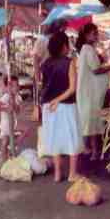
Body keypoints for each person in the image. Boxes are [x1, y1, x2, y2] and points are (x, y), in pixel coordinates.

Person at [39, 31, 83, 182]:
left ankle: (57, 174)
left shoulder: (45, 63)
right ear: (64, 46)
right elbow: (73, 88)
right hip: (65, 106)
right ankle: (72, 174)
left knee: (55, 138)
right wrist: (58, 100)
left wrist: (51, 101)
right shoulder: (69, 62)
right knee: (72, 138)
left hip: (48, 107)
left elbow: (43, 85)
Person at [76, 23, 110, 160]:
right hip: (89, 93)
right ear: (87, 35)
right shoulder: (87, 49)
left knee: (90, 122)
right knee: (91, 122)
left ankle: (91, 150)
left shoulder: (86, 49)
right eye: (94, 33)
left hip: (87, 92)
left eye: (96, 33)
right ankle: (91, 150)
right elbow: (96, 69)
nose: (96, 35)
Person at [0, 75, 23, 161]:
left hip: (14, 123)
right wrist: (5, 109)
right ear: (8, 87)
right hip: (6, 124)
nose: (17, 87)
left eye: (17, 85)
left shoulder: (18, 97)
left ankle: (13, 146)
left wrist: (13, 102)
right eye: (13, 86)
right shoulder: (6, 96)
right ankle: (4, 161)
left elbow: (18, 111)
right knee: (5, 142)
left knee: (26, 131)